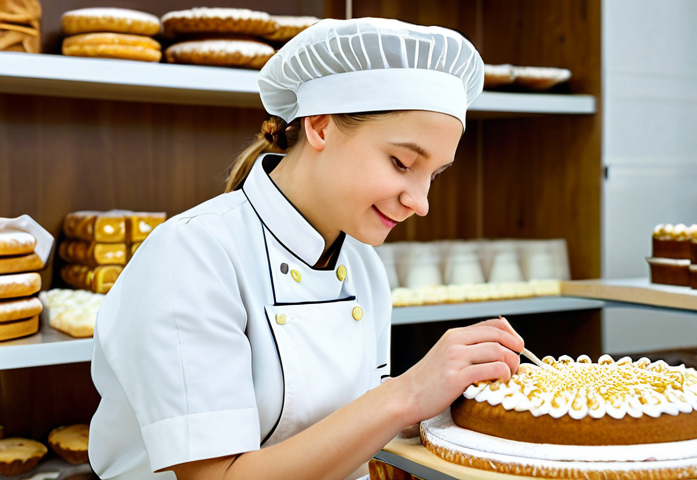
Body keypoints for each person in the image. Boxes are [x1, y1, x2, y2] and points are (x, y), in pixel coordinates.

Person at [89, 17, 524, 480]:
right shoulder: (193, 254)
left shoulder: (362, 265)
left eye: (434, 175)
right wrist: (406, 394)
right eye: (402, 162)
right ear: (319, 125)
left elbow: (353, 436)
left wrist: (439, 402)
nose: (420, 202)